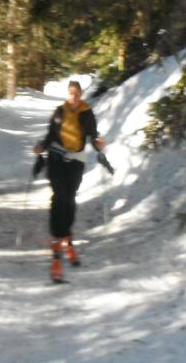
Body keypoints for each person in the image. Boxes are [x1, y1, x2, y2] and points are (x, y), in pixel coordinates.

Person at [33, 80, 114, 283]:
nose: (74, 97)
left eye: (77, 93)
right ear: (67, 94)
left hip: (76, 160)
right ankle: (58, 241)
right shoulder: (59, 112)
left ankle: (66, 237)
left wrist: (98, 143)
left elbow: (93, 135)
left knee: (69, 199)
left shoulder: (87, 113)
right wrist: (41, 146)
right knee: (59, 196)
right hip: (56, 158)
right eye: (71, 93)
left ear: (81, 94)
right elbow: (50, 135)